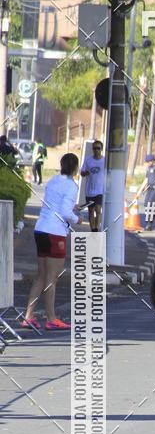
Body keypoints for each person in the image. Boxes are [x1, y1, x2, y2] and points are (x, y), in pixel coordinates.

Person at [20, 153, 81, 331]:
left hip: (41, 229)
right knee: (52, 278)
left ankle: (29, 316)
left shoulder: (53, 180)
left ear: (61, 165)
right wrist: (77, 219)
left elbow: (54, 203)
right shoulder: (72, 186)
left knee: (41, 276)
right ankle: (51, 318)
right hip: (55, 232)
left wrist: (71, 208)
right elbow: (64, 211)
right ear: (75, 168)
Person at [80, 139, 105, 231]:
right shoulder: (88, 160)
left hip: (100, 190)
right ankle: (92, 229)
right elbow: (82, 173)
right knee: (91, 211)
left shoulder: (105, 160)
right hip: (89, 191)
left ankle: (97, 229)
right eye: (94, 148)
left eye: (98, 148)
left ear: (101, 149)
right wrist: (86, 173)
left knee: (98, 210)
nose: (96, 150)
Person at [140, 153, 155, 230]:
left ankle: (149, 225)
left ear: (152, 161)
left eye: (148, 161)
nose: (147, 163)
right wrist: (141, 189)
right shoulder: (148, 169)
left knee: (150, 205)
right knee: (147, 205)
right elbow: (146, 179)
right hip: (150, 189)